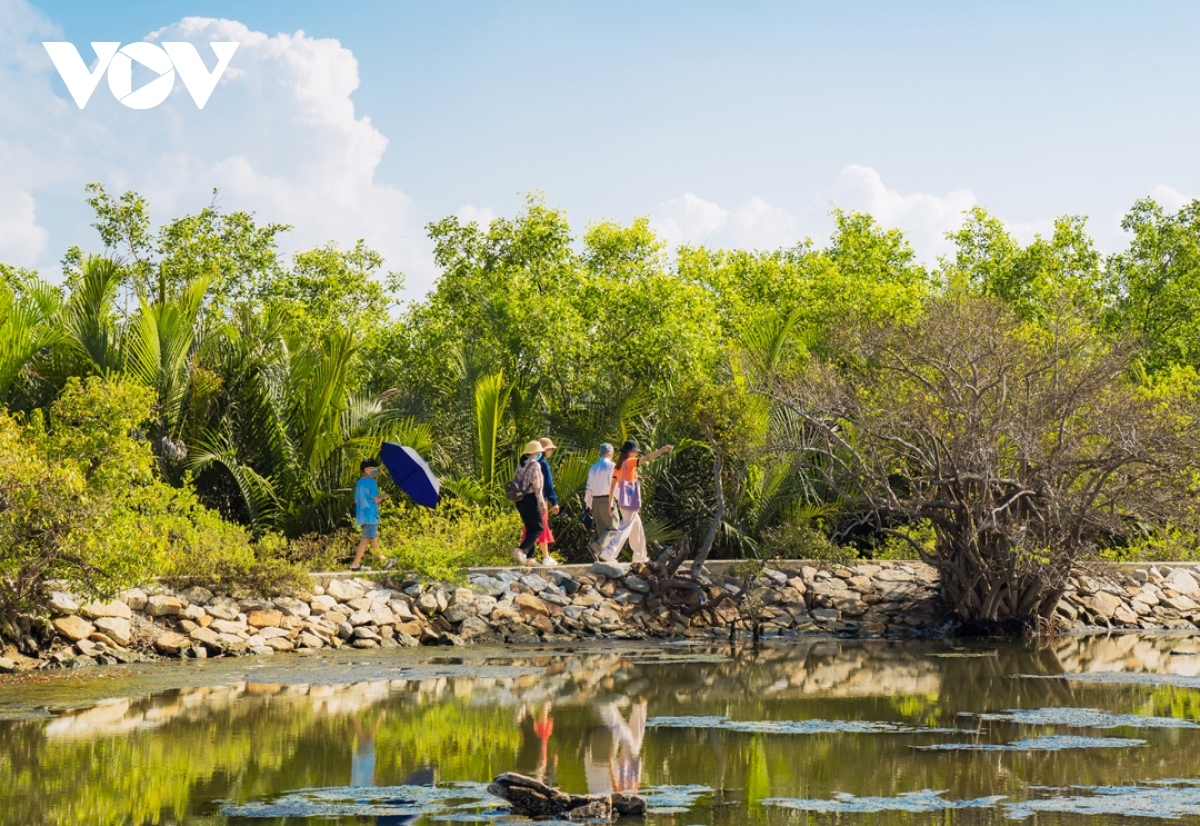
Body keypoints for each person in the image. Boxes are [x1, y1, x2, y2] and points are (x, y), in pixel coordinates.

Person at [599, 438, 673, 564]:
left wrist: (610, 503)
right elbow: (648, 458)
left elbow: (612, 486)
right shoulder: (630, 462)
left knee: (636, 527)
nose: (636, 454)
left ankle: (640, 555)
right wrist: (662, 450)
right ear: (630, 452)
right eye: (635, 451)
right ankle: (609, 551)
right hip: (631, 499)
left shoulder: (617, 466)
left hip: (623, 499)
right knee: (625, 527)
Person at [512, 440, 548, 567]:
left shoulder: (520, 466)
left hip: (520, 500)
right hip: (530, 499)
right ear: (535, 452)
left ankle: (529, 558)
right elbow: (538, 487)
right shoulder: (535, 465)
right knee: (538, 527)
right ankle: (521, 550)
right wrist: (542, 504)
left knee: (530, 527)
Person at [351, 458, 390, 571]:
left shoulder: (360, 483)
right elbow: (376, 500)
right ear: (367, 469)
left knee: (373, 538)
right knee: (366, 538)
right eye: (374, 468)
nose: (376, 471)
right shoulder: (371, 483)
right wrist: (383, 497)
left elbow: (356, 500)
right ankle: (355, 564)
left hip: (362, 515)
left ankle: (383, 560)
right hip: (371, 515)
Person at [584, 443, 617, 559]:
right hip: (607, 499)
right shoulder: (611, 466)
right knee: (614, 527)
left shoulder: (593, 467)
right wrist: (616, 500)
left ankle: (603, 556)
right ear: (611, 454)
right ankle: (596, 547)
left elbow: (588, 489)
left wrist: (588, 505)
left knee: (603, 530)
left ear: (600, 453)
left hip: (595, 501)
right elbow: (613, 486)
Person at [535, 437, 560, 566]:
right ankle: (545, 557)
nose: (551, 451)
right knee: (542, 526)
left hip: (529, 500)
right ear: (544, 450)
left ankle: (528, 556)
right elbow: (549, 485)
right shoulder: (543, 464)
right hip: (541, 500)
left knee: (532, 527)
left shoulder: (529, 463)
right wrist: (554, 502)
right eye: (550, 449)